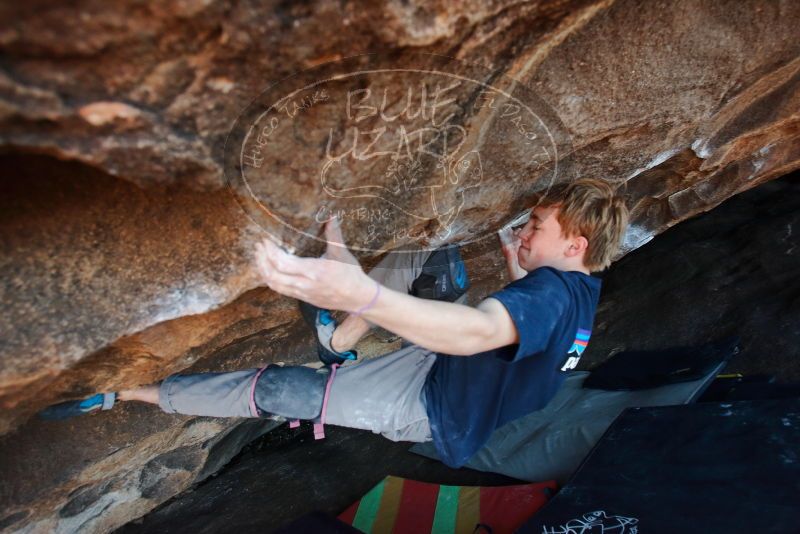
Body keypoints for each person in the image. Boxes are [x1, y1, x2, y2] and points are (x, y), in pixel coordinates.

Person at [40, 178, 628, 469]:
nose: (525, 230)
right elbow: (519, 350)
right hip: (451, 373)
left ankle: (123, 392)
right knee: (439, 262)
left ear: (574, 244)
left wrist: (365, 294)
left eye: (539, 226)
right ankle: (338, 336)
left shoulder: (551, 293)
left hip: (426, 405)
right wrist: (516, 270)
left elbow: (478, 334)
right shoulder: (579, 294)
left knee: (283, 391)